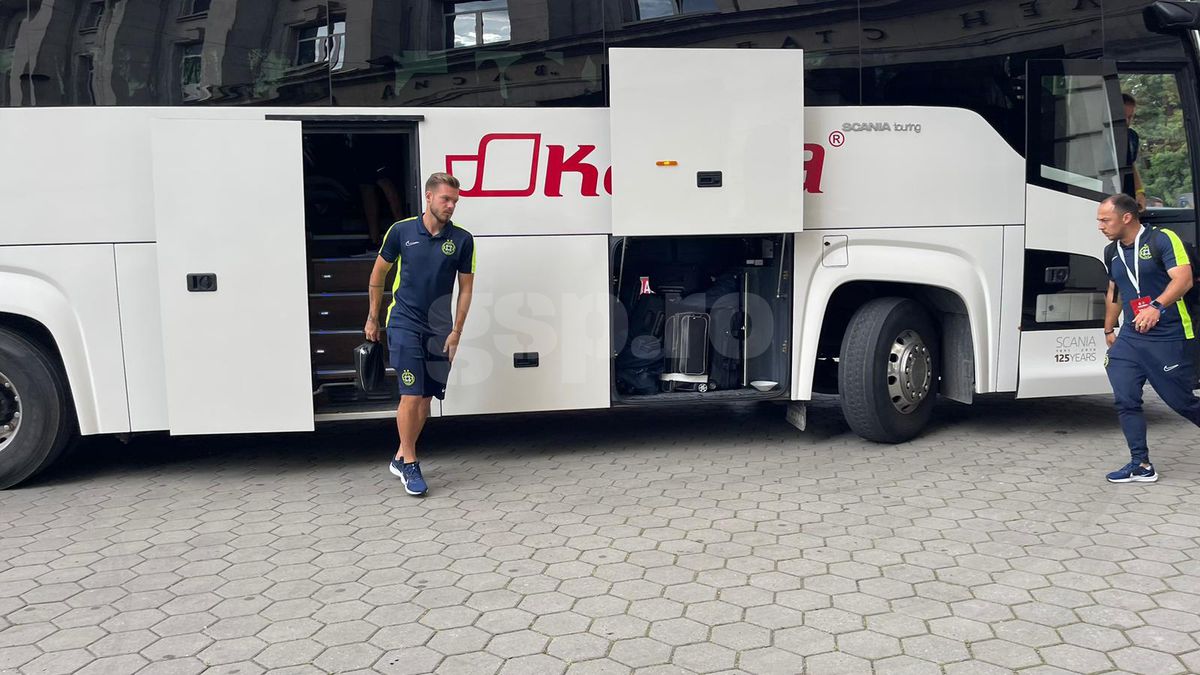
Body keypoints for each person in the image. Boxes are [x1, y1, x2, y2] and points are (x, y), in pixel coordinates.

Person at [364, 173, 475, 496]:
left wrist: (456, 331)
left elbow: (466, 289)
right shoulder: (400, 232)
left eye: (455, 200)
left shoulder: (464, 240)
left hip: (439, 330)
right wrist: (373, 318)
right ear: (428, 197)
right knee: (411, 395)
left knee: (425, 401)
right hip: (404, 323)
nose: (451, 205)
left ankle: (400, 454)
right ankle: (411, 462)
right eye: (446, 199)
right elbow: (378, 275)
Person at [1098, 193, 1199, 483]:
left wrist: (1156, 306)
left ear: (1126, 217)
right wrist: (1109, 329)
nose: (1100, 226)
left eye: (1105, 220)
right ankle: (1140, 463)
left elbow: (1184, 279)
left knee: (1181, 402)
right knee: (1125, 398)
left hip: (1168, 334)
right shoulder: (1111, 251)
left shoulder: (1162, 239)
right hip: (1131, 336)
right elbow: (1114, 292)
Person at [1123, 93, 1147, 211]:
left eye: (1130, 117)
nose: (1127, 121)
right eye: (1124, 117)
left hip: (1127, 197)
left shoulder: (1132, 137)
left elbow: (1131, 164)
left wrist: (1140, 192)